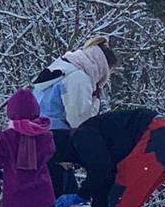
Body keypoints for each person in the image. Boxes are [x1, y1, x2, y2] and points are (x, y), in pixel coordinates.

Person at [32, 36, 118, 197]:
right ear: (104, 67)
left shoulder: (61, 67)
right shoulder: (78, 77)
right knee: (64, 200)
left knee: (49, 199)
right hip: (57, 140)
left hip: (39, 139)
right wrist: (95, 99)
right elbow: (80, 121)